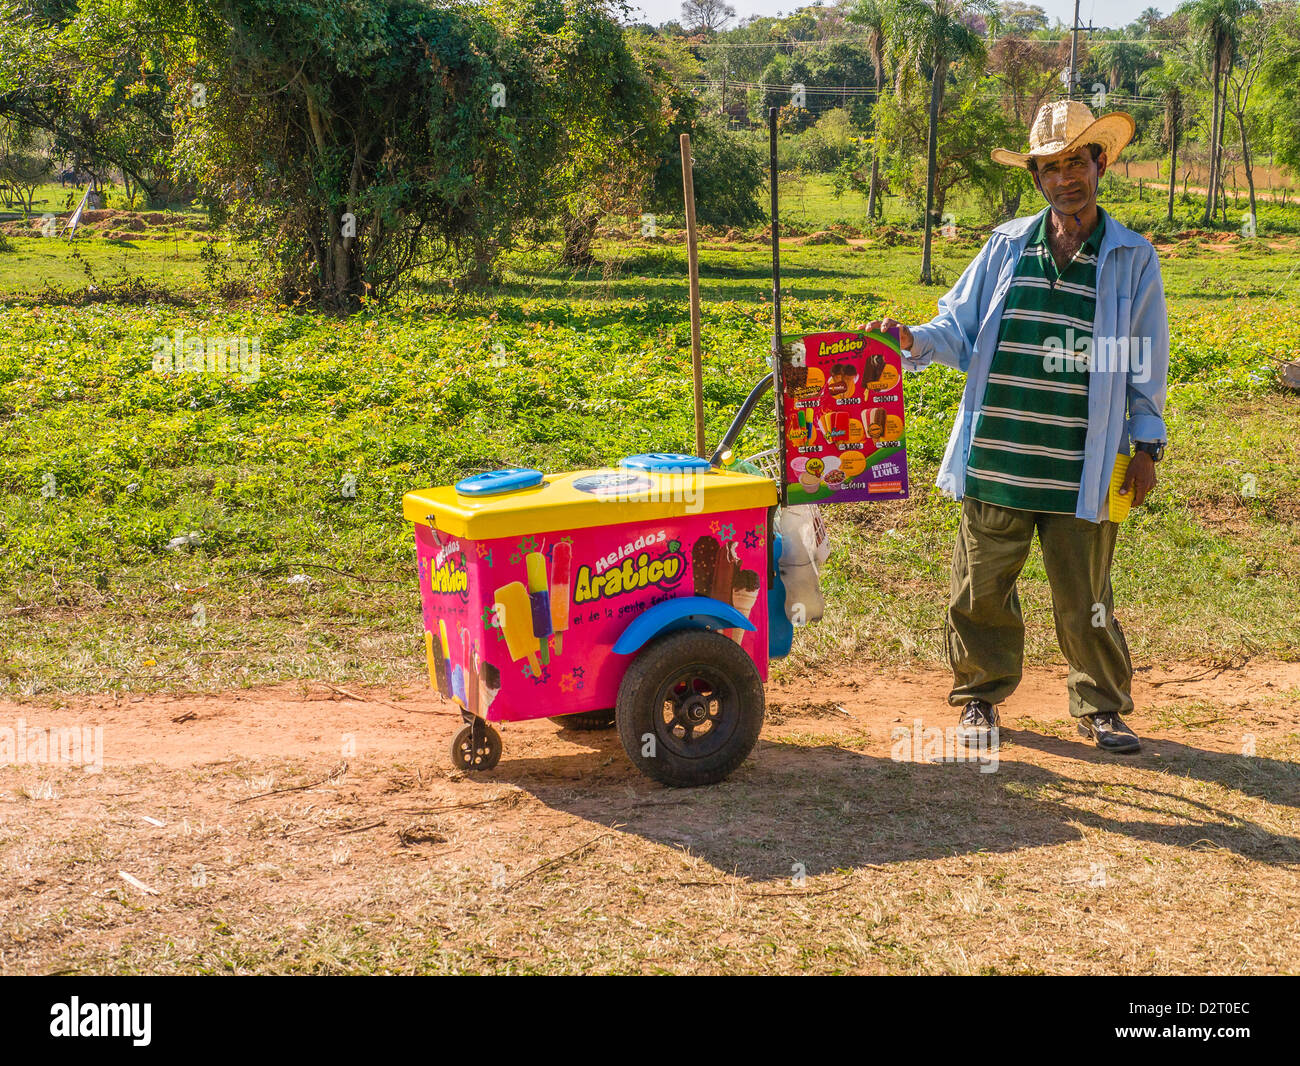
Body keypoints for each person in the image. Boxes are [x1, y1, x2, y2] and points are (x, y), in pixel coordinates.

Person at [865, 100, 1169, 754]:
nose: (1066, 178)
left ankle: (1102, 705)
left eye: (1077, 162)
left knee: (1085, 597)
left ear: (1100, 163)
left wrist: (1147, 448)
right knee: (981, 592)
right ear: (1037, 178)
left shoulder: (1131, 258)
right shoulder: (1005, 246)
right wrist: (912, 337)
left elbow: (1145, 360)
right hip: (997, 460)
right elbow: (957, 328)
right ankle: (979, 697)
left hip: (1082, 465)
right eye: (1051, 167)